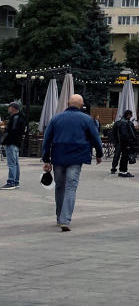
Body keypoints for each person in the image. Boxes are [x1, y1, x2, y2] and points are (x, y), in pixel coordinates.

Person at [40, 94, 103, 231]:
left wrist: (46, 159)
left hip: (58, 157)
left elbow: (47, 139)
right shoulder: (86, 119)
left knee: (59, 187)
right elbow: (95, 138)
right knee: (71, 188)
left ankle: (59, 217)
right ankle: (65, 220)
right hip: (76, 157)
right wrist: (99, 154)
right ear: (81, 105)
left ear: (68, 103)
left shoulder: (56, 118)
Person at [2, 101, 26, 190]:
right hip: (16, 143)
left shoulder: (15, 118)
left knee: (12, 163)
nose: (8, 108)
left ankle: (11, 182)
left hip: (11, 142)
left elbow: (13, 130)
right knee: (15, 163)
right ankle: (16, 182)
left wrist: (6, 130)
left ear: (13, 108)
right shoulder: (20, 117)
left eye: (9, 107)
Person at [111, 110, 138, 178]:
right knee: (125, 157)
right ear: (128, 115)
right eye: (131, 115)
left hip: (119, 143)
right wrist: (129, 143)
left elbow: (113, 133)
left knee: (118, 156)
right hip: (125, 143)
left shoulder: (118, 122)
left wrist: (114, 142)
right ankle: (123, 172)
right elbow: (126, 134)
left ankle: (118, 170)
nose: (131, 116)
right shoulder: (126, 123)